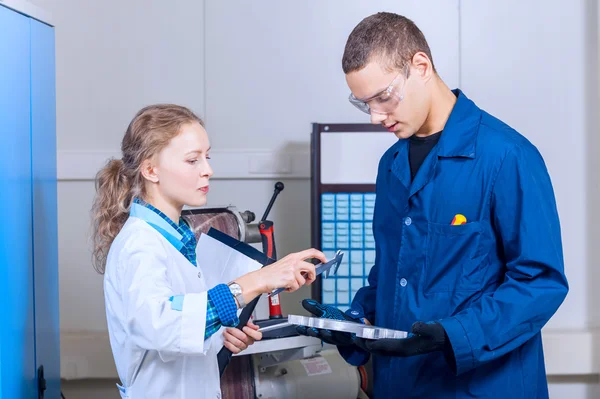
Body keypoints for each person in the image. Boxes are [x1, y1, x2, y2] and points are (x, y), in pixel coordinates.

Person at [297, 12, 568, 398]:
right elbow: (394, 272)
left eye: (383, 97)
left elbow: (540, 283)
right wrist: (356, 321)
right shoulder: (391, 166)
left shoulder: (507, 157)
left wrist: (450, 336)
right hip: (400, 385)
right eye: (363, 104)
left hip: (483, 387)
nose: (375, 117)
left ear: (419, 66)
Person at [91, 104, 325, 399]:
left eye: (207, 156)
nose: (208, 170)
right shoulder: (139, 245)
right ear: (151, 170)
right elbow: (159, 326)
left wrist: (221, 337)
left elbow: (181, 331)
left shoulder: (179, 241)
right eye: (192, 160)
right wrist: (256, 281)